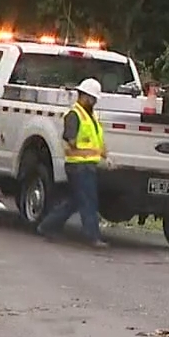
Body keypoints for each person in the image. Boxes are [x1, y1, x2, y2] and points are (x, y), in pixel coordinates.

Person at [36, 78, 109, 248]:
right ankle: (92, 236)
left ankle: (47, 226)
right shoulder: (74, 114)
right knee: (89, 201)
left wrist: (106, 156)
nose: (94, 102)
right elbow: (70, 138)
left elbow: (96, 140)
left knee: (75, 201)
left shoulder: (90, 116)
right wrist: (78, 144)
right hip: (78, 166)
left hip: (86, 165)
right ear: (85, 96)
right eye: (93, 98)